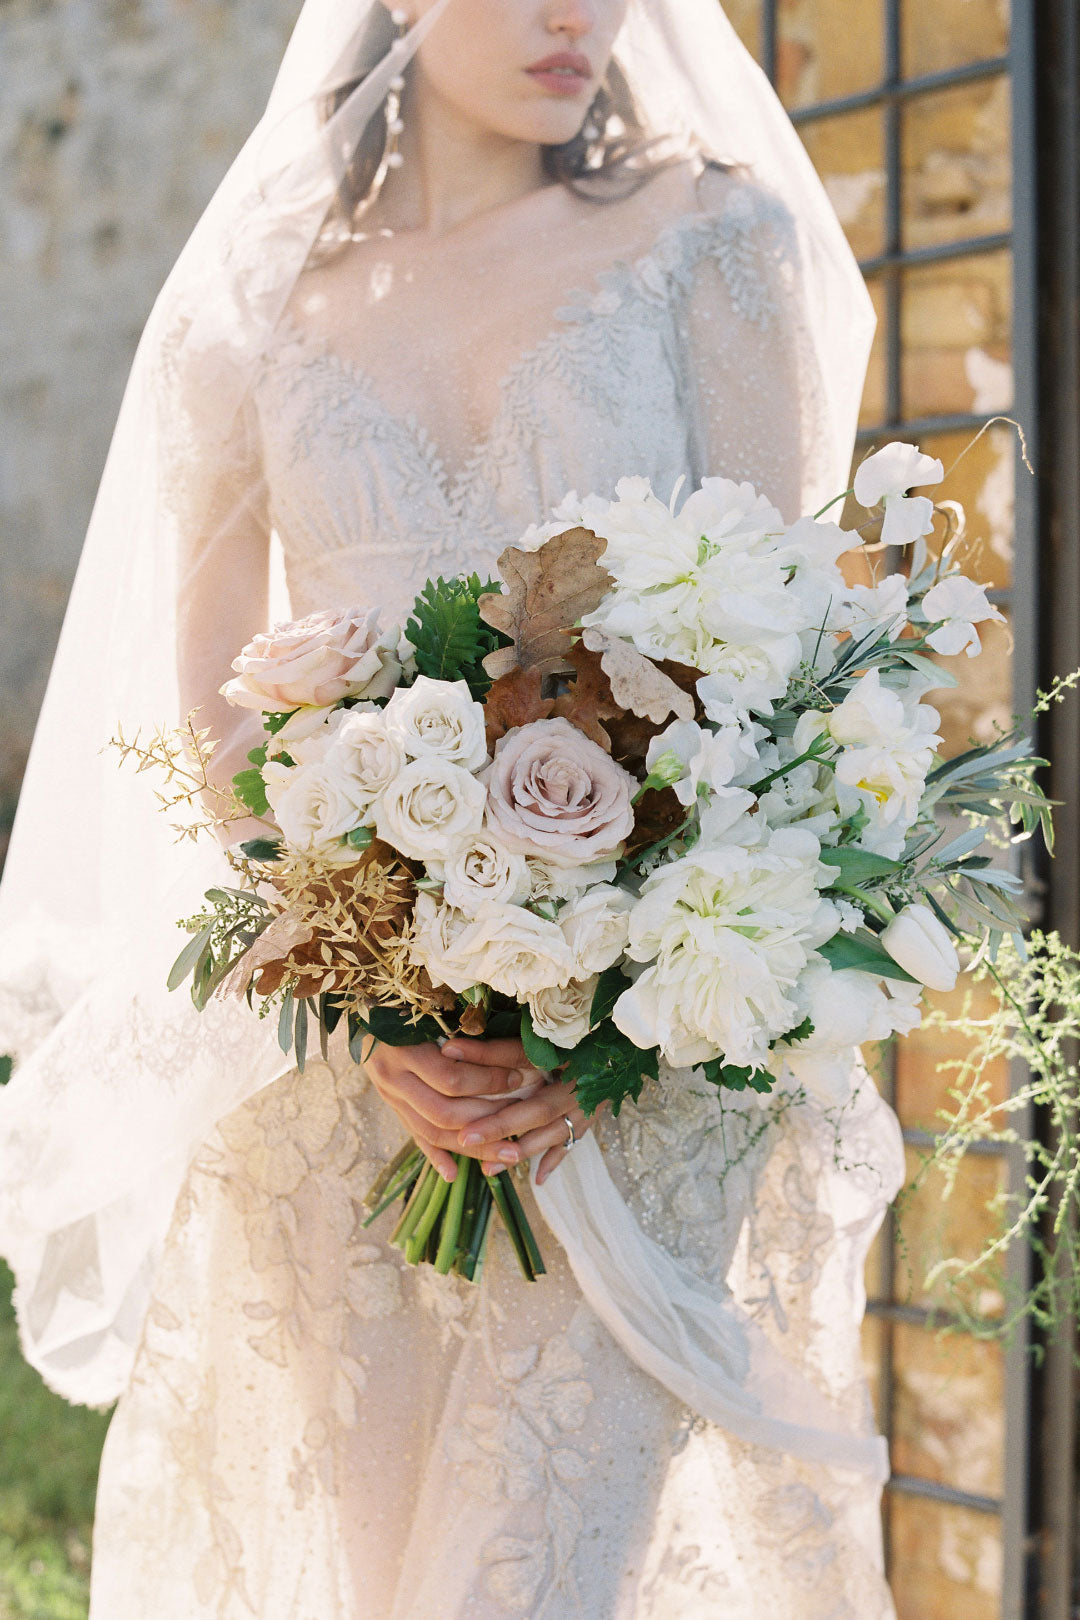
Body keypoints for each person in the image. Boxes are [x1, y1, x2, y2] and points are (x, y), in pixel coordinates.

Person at [0, 1, 902, 1615]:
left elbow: (786, 666)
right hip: (346, 1084)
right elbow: (216, 706)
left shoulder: (714, 239)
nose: (583, 17)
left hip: (634, 1081)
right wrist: (376, 1013)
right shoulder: (259, 311)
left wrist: (601, 1021)